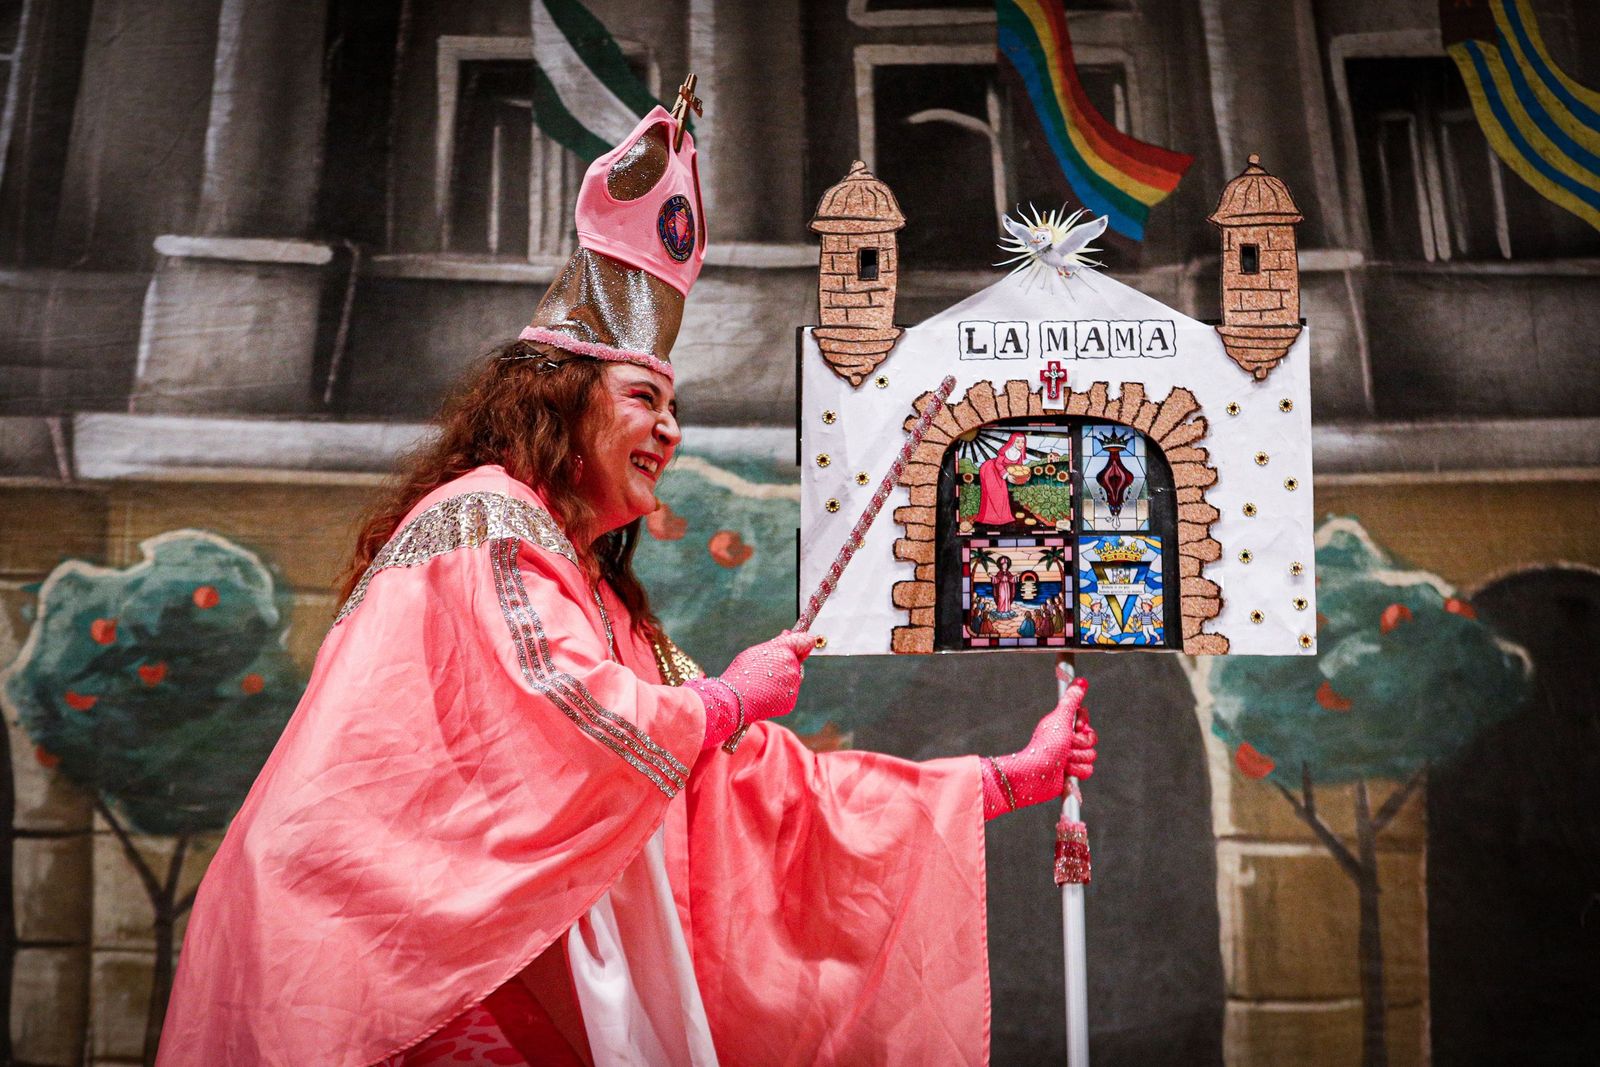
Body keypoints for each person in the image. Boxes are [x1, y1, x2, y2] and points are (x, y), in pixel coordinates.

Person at [158, 98, 1096, 1067]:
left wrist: (1000, 780)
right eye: (643, 397)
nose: (670, 429)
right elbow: (568, 708)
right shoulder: (481, 517)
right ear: (559, 401)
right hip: (383, 982)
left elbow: (761, 792)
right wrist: (724, 699)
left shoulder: (600, 600)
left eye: (675, 405)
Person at [977, 431, 1028, 526]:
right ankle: (990, 518)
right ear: (1012, 442)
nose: (1020, 444)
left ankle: (1002, 518)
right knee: (993, 493)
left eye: (1023, 442)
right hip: (990, 469)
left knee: (1003, 493)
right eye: (1018, 442)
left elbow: (1019, 468)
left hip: (1000, 473)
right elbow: (997, 464)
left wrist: (1024, 477)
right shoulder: (1005, 451)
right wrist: (1006, 475)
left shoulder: (1019, 454)